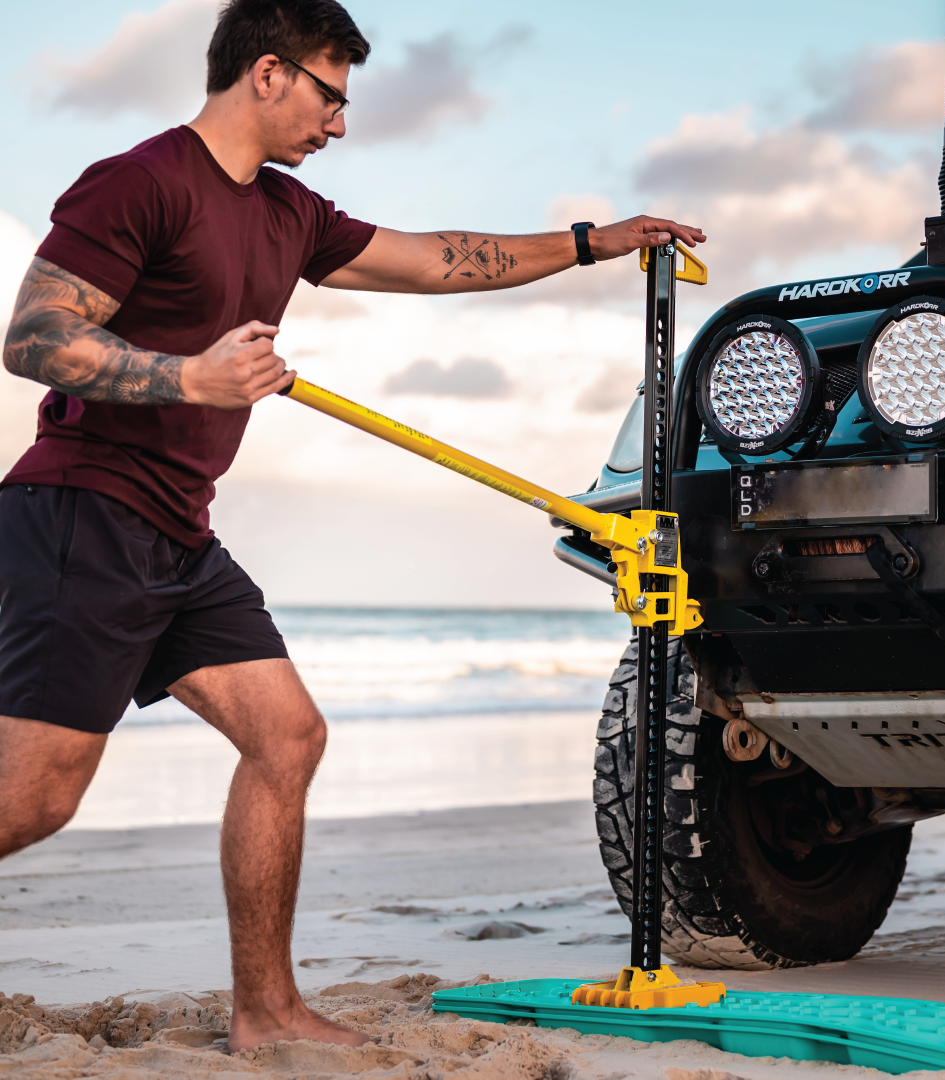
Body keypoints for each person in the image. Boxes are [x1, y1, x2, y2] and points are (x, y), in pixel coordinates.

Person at [0, 0, 705, 1053]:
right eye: (331, 95)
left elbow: (433, 259)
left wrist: (590, 242)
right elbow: (35, 335)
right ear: (270, 72)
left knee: (287, 737)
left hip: (180, 532)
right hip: (85, 513)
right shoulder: (140, 180)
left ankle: (266, 1015)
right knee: (33, 802)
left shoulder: (288, 213)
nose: (339, 123)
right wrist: (187, 376)